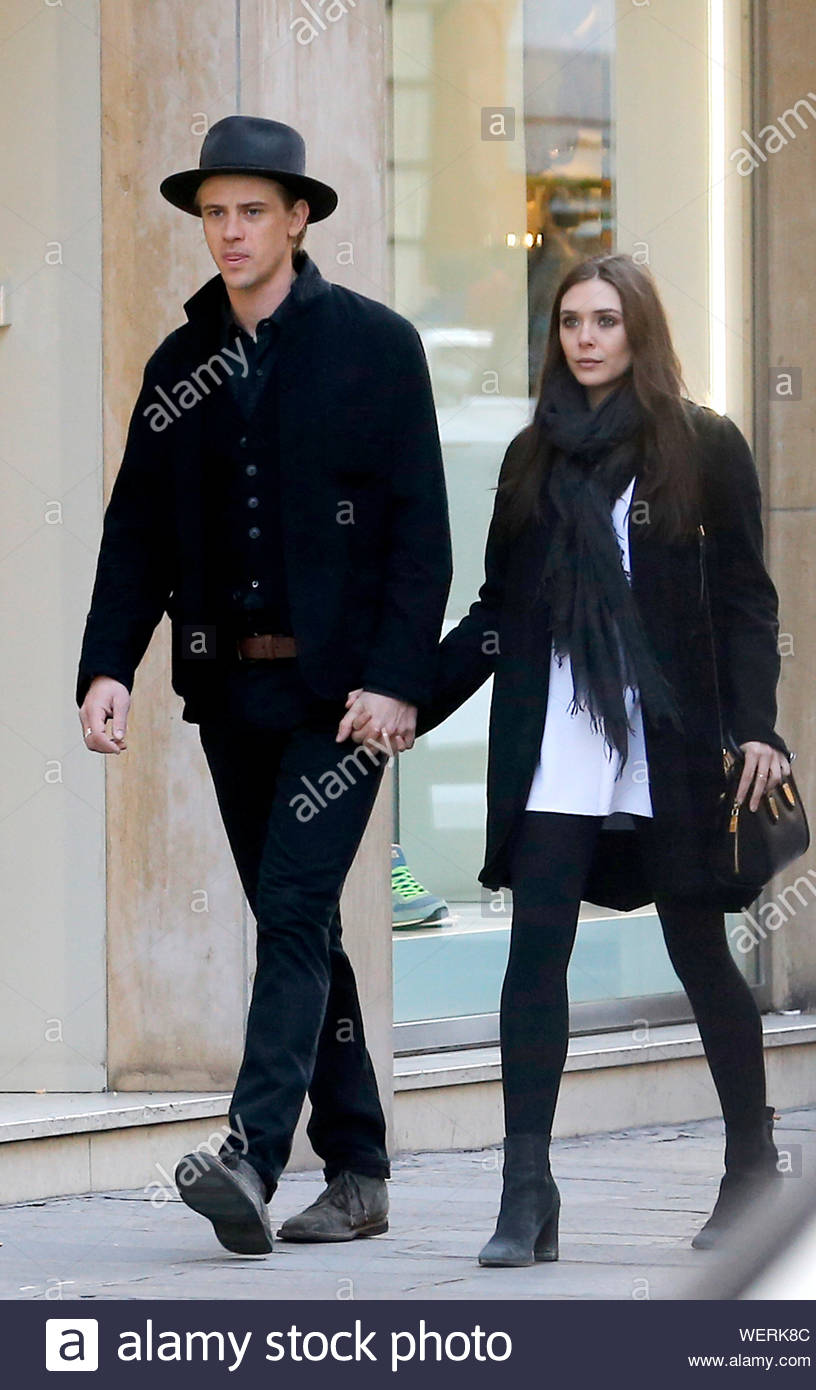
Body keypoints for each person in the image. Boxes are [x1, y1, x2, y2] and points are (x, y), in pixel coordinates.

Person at [362, 252, 790, 1262]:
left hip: (668, 739)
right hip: (555, 735)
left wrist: (758, 728)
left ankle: (748, 1168)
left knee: (698, 952)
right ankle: (526, 1193)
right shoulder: (530, 457)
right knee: (533, 953)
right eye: (568, 322)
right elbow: (496, 613)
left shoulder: (702, 447)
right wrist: (407, 696)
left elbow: (741, 600)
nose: (585, 338)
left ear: (637, 329)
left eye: (603, 320)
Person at [76, 116, 452, 1255]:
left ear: (297, 218)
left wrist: (396, 683)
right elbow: (134, 529)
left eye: (251, 211)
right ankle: (360, 1170)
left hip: (341, 701)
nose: (230, 231)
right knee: (300, 927)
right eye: (214, 214)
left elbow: (418, 536)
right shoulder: (178, 366)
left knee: (291, 909)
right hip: (225, 697)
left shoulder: (376, 347)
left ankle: (248, 1148)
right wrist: (107, 663)